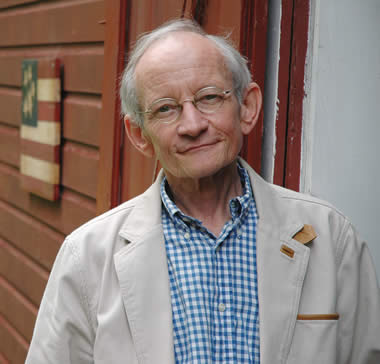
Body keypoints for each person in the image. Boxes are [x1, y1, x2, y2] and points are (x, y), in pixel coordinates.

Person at [26, 19, 380, 364]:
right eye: (166, 109)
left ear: (248, 107)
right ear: (139, 135)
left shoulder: (331, 239)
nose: (193, 125)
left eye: (209, 98)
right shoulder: (86, 257)